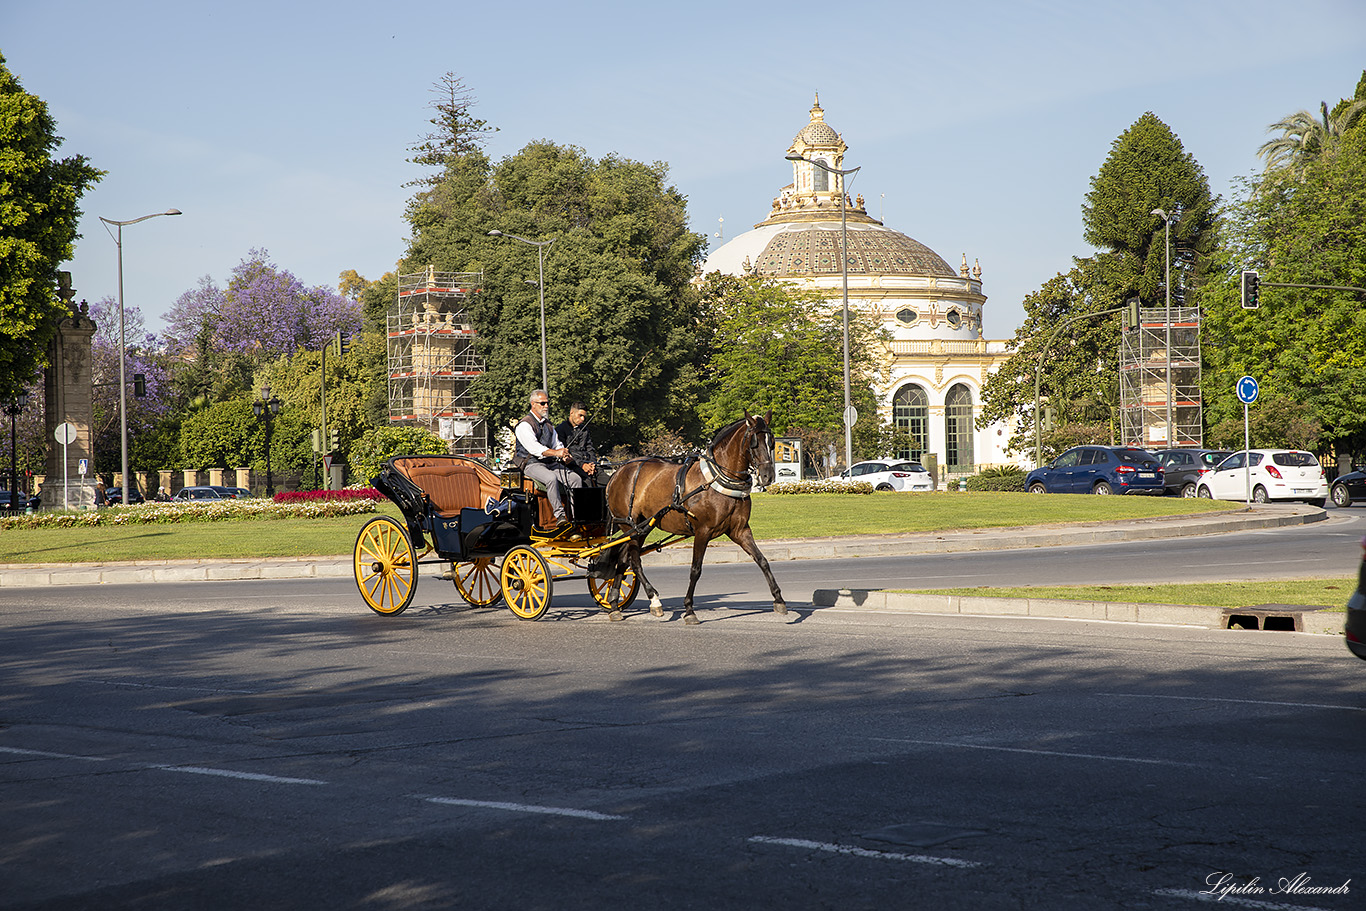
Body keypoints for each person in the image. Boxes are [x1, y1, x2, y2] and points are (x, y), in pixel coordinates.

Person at [512, 389, 582, 526]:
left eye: (547, 403)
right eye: (542, 403)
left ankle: (577, 517)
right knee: (551, 478)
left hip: (550, 463)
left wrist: (564, 455)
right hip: (531, 464)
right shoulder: (524, 425)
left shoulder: (548, 425)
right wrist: (556, 453)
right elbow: (535, 449)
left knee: (575, 479)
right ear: (533, 404)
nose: (546, 406)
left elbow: (557, 444)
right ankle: (560, 516)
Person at [555, 401, 601, 486]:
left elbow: (590, 448)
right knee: (587, 483)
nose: (583, 419)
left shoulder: (585, 430)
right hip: (572, 465)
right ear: (571, 412)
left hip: (589, 464)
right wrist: (582, 465)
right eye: (580, 415)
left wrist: (592, 464)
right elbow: (565, 454)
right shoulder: (560, 430)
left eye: (584, 416)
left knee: (608, 481)